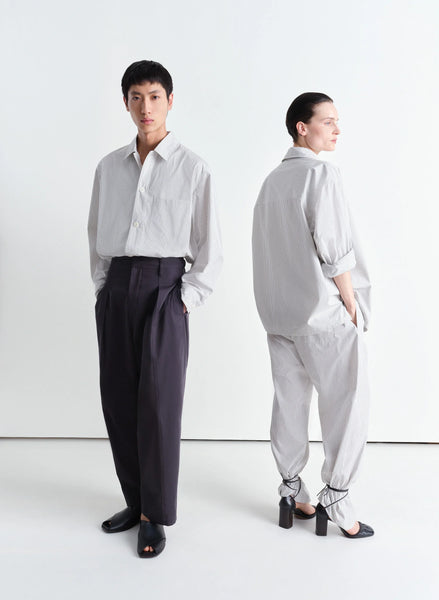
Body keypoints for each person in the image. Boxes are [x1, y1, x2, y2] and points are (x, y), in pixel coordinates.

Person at [88, 60, 222, 557]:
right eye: (136, 97)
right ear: (125, 102)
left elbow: (210, 248)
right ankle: (135, 500)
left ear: (170, 101)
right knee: (119, 401)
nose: (145, 107)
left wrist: (185, 300)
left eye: (155, 96)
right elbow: (95, 233)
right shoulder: (108, 167)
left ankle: (155, 515)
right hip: (118, 288)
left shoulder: (193, 168)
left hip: (166, 290)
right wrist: (103, 289)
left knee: (159, 406)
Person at [252, 92, 374, 538]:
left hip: (279, 316)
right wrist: (352, 305)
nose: (337, 129)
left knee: (289, 404)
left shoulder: (270, 184)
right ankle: (337, 500)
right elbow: (335, 250)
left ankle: (292, 491)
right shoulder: (321, 174)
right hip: (323, 315)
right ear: (302, 128)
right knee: (347, 403)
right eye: (328, 121)